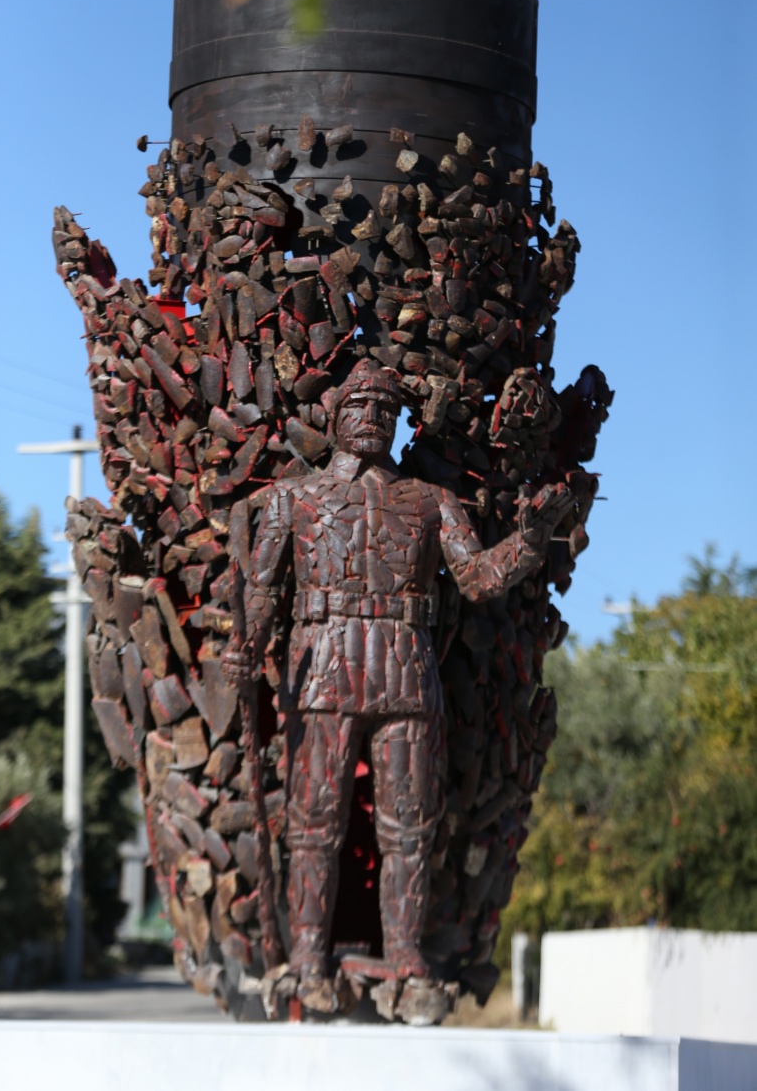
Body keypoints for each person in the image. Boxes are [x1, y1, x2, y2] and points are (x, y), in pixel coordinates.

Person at [222, 359, 572, 1007]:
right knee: (313, 826)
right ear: (335, 418)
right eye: (359, 406)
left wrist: (528, 541)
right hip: (321, 672)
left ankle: (406, 959)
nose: (372, 418)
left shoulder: (429, 503)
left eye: (385, 409)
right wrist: (246, 650)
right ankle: (306, 959)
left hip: (406, 676)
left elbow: (476, 580)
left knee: (409, 827)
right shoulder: (293, 500)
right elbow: (263, 594)